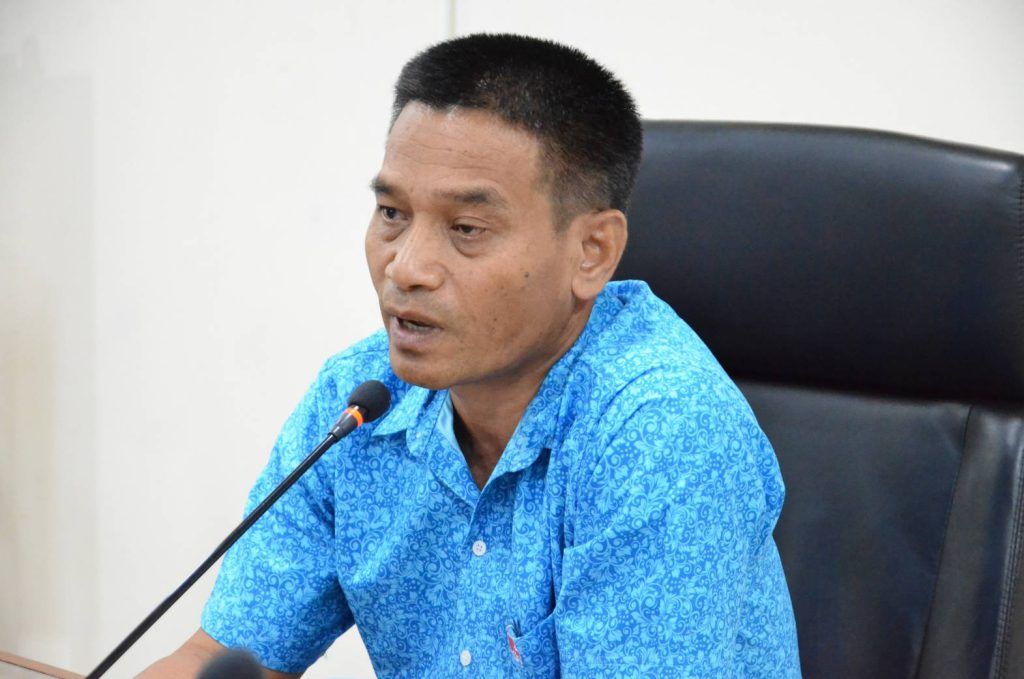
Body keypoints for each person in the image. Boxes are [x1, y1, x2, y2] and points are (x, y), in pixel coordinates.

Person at [142, 33, 801, 678]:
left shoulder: (662, 427)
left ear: (591, 252)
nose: (406, 267)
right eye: (392, 213)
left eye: (466, 228)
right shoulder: (360, 401)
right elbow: (221, 658)